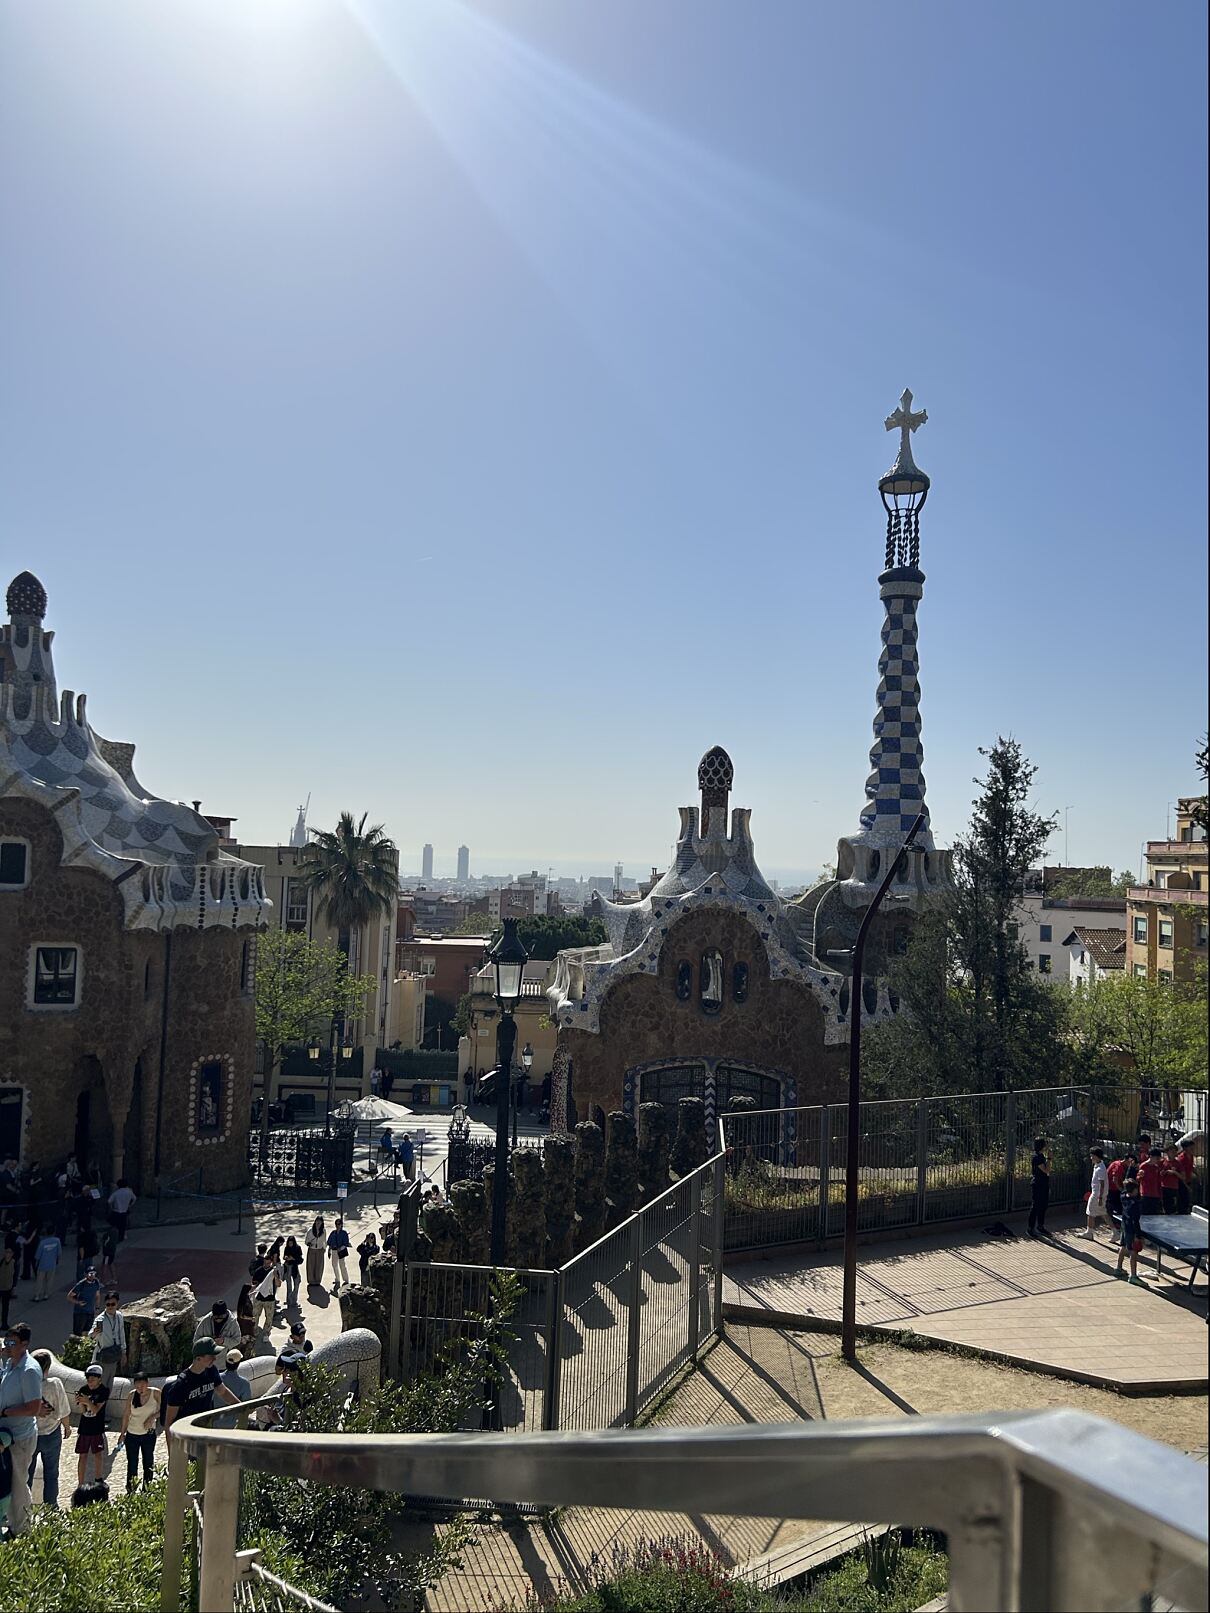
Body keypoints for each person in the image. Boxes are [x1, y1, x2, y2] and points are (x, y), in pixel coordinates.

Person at [0, 1321, 42, 1535]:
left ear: (24, 1344)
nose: (7, 1345)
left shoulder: (29, 1370)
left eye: (12, 1343)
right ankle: (11, 1524)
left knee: (18, 1484)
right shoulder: (10, 1363)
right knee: (7, 1482)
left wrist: (5, 1412)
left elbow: (34, 1407)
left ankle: (22, 1531)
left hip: (20, 1437)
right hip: (5, 1436)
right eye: (6, 1341)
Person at [162, 1338, 240, 1439]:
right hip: (187, 1433)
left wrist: (241, 1407)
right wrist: (172, 1453)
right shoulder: (181, 1384)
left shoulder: (211, 1371)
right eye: (211, 1356)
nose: (215, 1358)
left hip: (206, 1427)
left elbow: (223, 1392)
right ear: (198, 1358)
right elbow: (169, 1422)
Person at [28, 1349, 71, 1509]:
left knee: (27, 1473)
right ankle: (51, 1505)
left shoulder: (28, 1385)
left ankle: (25, 1505)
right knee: (52, 1473)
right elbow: (64, 1410)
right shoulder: (55, 1384)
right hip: (52, 1433)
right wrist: (67, 1427)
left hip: (31, 1433)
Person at [119, 1373, 159, 1492]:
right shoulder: (132, 1395)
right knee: (132, 1463)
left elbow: (164, 1409)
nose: (140, 1388)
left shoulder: (155, 1393)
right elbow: (126, 1415)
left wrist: (152, 1417)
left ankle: (147, 1489)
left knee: (148, 1462)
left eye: (143, 1385)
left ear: (147, 1383)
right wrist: (122, 1433)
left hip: (148, 1434)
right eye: (138, 1385)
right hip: (132, 1434)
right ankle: (131, 1489)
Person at [74, 1364, 109, 1488]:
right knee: (82, 1455)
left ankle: (98, 1479)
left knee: (98, 1454)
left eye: (93, 1379)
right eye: (88, 1379)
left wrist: (87, 1401)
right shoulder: (83, 1390)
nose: (90, 1381)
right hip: (84, 1427)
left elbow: (95, 1410)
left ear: (99, 1379)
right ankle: (80, 1483)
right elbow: (84, 1411)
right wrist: (80, 1402)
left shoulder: (104, 1391)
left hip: (97, 1427)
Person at [90, 1292, 127, 1389]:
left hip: (114, 1354)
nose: (110, 1307)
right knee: (101, 1385)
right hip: (103, 1356)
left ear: (117, 1303)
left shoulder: (119, 1316)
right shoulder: (100, 1319)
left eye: (113, 1304)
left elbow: (121, 1334)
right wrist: (95, 1332)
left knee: (109, 1384)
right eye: (108, 1304)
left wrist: (124, 1353)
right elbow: (91, 1336)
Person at [1115, 1179, 1145, 1285]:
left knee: (1123, 1246)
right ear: (1134, 1190)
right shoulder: (1135, 1204)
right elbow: (1135, 1221)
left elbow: (1124, 1190)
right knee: (1133, 1251)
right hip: (1131, 1229)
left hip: (1124, 1226)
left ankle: (1118, 1268)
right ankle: (1133, 1276)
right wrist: (1138, 1235)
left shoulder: (1123, 1196)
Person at [214, 1349, 251, 1430]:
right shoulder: (244, 1384)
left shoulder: (215, 1379)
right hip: (231, 1427)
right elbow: (246, 1408)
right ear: (238, 1364)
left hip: (213, 1424)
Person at [1079, 1148, 1108, 1239]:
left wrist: (1100, 1197)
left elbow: (1102, 1184)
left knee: (1090, 1212)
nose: (1091, 1158)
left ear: (1096, 1156)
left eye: (1092, 1156)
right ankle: (1115, 1231)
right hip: (1098, 1193)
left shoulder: (1100, 1169)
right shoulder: (1099, 1166)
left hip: (1097, 1194)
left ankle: (1089, 1232)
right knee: (1103, 1213)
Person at [251, 1256, 282, 1334]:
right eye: (265, 1263)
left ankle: (266, 1333)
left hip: (270, 1299)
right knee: (255, 1316)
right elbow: (253, 1284)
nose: (266, 1265)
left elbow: (278, 1284)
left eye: (268, 1263)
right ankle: (254, 1331)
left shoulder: (273, 1272)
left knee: (269, 1318)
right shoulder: (258, 1271)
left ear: (271, 1263)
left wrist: (275, 1276)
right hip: (258, 1298)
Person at [68, 1267, 101, 1337]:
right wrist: (78, 1302)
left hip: (90, 1312)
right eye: (90, 1274)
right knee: (77, 1334)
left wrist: (97, 1308)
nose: (92, 1276)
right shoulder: (81, 1284)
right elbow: (69, 1296)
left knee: (87, 1332)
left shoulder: (96, 1283)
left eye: (94, 1273)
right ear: (86, 1275)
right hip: (80, 1312)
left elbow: (97, 1296)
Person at [1027, 1136, 1050, 1238]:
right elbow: (1046, 1170)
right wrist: (1050, 1159)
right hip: (1038, 1184)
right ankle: (1030, 1228)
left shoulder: (1041, 1156)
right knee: (1036, 1205)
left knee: (1043, 1205)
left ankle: (1040, 1226)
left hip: (1044, 1183)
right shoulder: (1037, 1157)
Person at [33, 1226, 62, 1301]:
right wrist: (57, 1261)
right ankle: (46, 1294)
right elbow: (59, 1253)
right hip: (52, 1264)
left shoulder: (42, 1242)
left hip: (42, 1264)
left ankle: (37, 1295)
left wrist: (36, 1263)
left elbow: (38, 1255)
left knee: (39, 1280)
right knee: (49, 1280)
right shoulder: (57, 1241)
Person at [1137, 1147, 1164, 1217]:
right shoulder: (1144, 1166)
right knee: (1145, 1214)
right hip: (1146, 1194)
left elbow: (1158, 1181)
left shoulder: (1156, 1167)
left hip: (1155, 1194)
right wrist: (1140, 1176)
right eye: (1157, 1158)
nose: (1158, 1160)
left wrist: (1160, 1195)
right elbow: (1138, 1179)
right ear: (1151, 1157)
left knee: (1154, 1215)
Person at [1106, 1151, 1133, 1222]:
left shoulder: (1119, 1164)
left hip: (1113, 1188)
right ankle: (1115, 1222)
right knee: (1117, 1205)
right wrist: (1121, 1189)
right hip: (1112, 1189)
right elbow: (1115, 1179)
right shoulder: (1118, 1166)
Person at [1174, 1136, 1198, 1213]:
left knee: (1187, 1200)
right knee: (1182, 1200)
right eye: (1191, 1147)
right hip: (1182, 1182)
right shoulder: (1181, 1159)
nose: (1193, 1149)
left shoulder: (1190, 1156)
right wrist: (1187, 1186)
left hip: (1188, 1180)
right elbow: (1181, 1175)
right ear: (1185, 1148)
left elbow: (1191, 1167)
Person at [327, 1218, 350, 1290]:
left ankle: (346, 1280)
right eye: (336, 1224)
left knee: (342, 1265)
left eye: (339, 1224)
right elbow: (329, 1242)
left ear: (341, 1225)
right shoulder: (333, 1233)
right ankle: (337, 1279)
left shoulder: (344, 1233)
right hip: (334, 1251)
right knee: (334, 1265)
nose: (337, 1225)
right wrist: (329, 1250)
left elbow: (346, 1243)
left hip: (341, 1251)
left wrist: (341, 1248)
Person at [281, 1237, 304, 1308]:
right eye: (289, 1243)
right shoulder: (287, 1248)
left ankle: (293, 1299)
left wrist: (293, 1258)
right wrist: (286, 1257)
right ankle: (289, 1301)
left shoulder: (298, 1248)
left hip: (294, 1268)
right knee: (289, 1285)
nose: (290, 1244)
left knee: (297, 1282)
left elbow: (300, 1260)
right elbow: (284, 1256)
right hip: (288, 1267)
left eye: (291, 1243)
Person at [304, 1218, 326, 1289]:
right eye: (317, 1221)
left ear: (322, 1223)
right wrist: (309, 1243)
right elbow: (306, 1240)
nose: (318, 1223)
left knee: (319, 1266)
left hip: (320, 1249)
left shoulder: (323, 1231)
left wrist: (324, 1249)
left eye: (320, 1222)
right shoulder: (310, 1230)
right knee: (311, 1265)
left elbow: (324, 1241)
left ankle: (317, 1281)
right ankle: (311, 1281)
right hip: (312, 1249)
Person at [1160, 1146, 1182, 1215]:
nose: (1173, 1153)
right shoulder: (1162, 1162)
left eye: (1174, 1151)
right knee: (1165, 1207)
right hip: (1164, 1187)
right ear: (1167, 1152)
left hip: (1173, 1188)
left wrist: (1174, 1172)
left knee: (1173, 1208)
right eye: (1171, 1151)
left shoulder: (1178, 1163)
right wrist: (1163, 1172)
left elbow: (1183, 1177)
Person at [0, 1246, 15, 1332]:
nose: (7, 1254)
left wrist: (13, 1287)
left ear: (12, 1254)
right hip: (0, 1286)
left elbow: (14, 1276)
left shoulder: (13, 1263)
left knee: (5, 1307)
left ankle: (4, 1323)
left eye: (9, 1252)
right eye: (6, 1252)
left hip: (7, 1288)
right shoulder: (1, 1261)